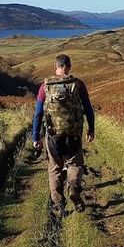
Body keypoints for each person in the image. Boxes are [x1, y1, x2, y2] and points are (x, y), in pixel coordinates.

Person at [32, 54, 95, 216]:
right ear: (69, 66)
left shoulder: (45, 86)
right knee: (75, 164)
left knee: (54, 169)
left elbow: (38, 114)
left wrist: (35, 137)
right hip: (73, 134)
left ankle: (58, 204)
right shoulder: (78, 84)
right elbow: (88, 109)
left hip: (53, 136)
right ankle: (73, 186)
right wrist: (91, 129)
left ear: (56, 67)